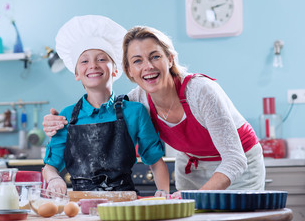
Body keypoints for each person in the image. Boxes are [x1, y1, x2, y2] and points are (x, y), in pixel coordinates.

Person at [43, 25, 265, 196]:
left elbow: (235, 159)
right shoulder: (135, 102)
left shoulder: (200, 91)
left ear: (169, 59)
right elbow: (105, 111)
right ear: (129, 70)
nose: (147, 66)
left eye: (155, 56)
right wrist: (54, 123)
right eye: (137, 61)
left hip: (238, 164)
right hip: (191, 166)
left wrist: (197, 198)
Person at [42, 16, 169, 196]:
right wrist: (54, 179)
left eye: (101, 59)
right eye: (84, 61)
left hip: (125, 205)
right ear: (77, 73)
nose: (93, 65)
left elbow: (156, 162)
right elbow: (50, 167)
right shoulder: (67, 116)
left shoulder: (135, 112)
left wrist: (163, 192)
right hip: (81, 207)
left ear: (116, 69)